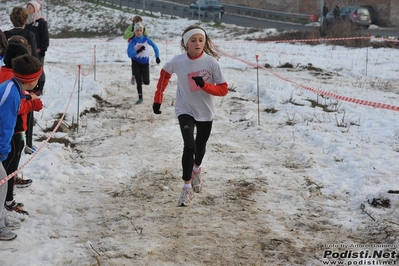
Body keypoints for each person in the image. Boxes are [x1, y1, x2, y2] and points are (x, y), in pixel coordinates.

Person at [152, 25, 228, 207]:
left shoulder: (211, 63)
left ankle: (196, 169)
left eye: (201, 40)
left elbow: (223, 89)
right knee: (189, 145)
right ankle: (187, 188)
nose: (197, 43)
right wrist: (158, 98)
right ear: (186, 44)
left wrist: (204, 86)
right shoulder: (178, 62)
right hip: (184, 108)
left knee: (200, 147)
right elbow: (164, 75)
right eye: (193, 40)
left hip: (205, 111)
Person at [0, 54, 42, 240]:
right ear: (32, 81)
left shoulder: (13, 87)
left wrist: (26, 96)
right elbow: (7, 126)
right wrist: (3, 150)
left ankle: (1, 219)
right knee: (1, 184)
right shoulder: (11, 95)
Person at [4, 6, 40, 155]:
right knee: (27, 110)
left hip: (7, 73)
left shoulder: (5, 34)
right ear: (26, 19)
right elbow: (34, 58)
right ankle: (27, 142)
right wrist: (39, 80)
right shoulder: (29, 34)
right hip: (26, 75)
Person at [127, 22, 160, 104]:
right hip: (136, 62)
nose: (138, 32)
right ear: (134, 31)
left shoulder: (146, 39)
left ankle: (141, 77)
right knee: (138, 81)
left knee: (146, 82)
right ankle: (140, 97)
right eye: (137, 30)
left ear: (142, 31)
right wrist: (138, 51)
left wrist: (157, 57)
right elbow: (129, 54)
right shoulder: (132, 41)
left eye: (140, 30)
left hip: (145, 63)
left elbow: (155, 46)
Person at [25, 0, 49, 96]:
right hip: (29, 51)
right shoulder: (28, 23)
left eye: (30, 8)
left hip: (39, 52)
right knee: (31, 69)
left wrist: (43, 50)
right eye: (27, 8)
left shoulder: (41, 22)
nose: (28, 10)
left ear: (35, 9)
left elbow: (45, 37)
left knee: (39, 69)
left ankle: (40, 87)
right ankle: (32, 87)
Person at [123, 15, 148, 86]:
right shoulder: (131, 27)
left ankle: (142, 77)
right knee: (134, 62)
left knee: (142, 61)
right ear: (133, 22)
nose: (138, 23)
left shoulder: (142, 28)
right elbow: (125, 36)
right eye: (136, 21)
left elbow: (147, 35)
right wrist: (133, 33)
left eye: (139, 21)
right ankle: (134, 75)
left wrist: (143, 33)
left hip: (141, 46)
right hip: (133, 46)